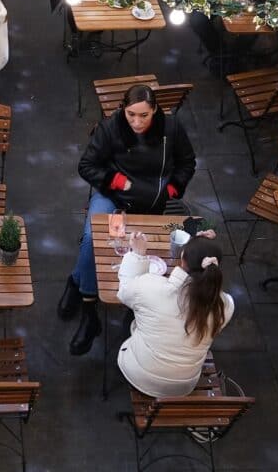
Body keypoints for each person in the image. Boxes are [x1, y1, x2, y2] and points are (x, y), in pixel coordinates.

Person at [61, 84, 196, 355]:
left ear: (155, 110)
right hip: (113, 197)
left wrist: (172, 189)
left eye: (143, 115)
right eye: (131, 114)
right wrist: (116, 181)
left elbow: (187, 162)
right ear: (123, 109)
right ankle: (89, 309)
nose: (136, 121)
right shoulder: (111, 127)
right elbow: (86, 165)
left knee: (154, 252)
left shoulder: (172, 129)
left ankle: (79, 282)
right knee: (91, 238)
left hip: (153, 202)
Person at [117, 233, 234, 398]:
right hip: (184, 385)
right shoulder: (225, 305)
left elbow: (125, 291)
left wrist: (137, 255)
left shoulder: (152, 287)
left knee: (133, 312)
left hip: (141, 376)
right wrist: (197, 245)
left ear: (182, 259)